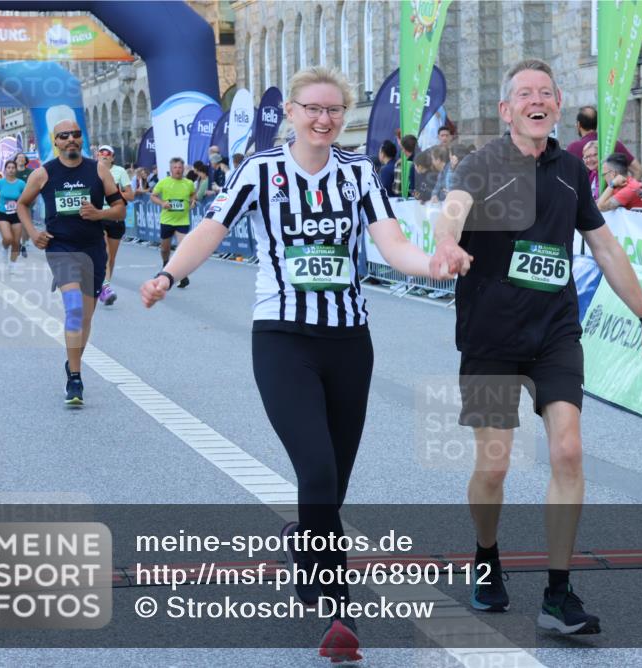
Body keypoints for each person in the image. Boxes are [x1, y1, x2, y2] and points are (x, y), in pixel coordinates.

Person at [141, 66, 444, 662]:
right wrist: (169, 273)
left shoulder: (358, 174)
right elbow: (212, 226)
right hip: (282, 337)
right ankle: (338, 608)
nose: (324, 119)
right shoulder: (261, 170)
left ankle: (305, 546)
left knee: (333, 480)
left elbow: (391, 243)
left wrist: (428, 264)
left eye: (334, 110)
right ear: (293, 113)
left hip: (349, 340)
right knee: (317, 470)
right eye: (313, 108)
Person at [429, 58, 642, 636]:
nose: (537, 101)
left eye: (547, 93)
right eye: (525, 94)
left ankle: (558, 593)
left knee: (567, 452)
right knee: (494, 466)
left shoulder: (569, 170)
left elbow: (607, 249)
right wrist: (446, 243)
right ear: (506, 109)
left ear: (558, 105)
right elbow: (452, 213)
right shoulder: (485, 163)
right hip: (490, 336)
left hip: (555, 334)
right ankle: (486, 558)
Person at [17, 120, 126, 405]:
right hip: (60, 247)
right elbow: (22, 204)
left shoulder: (98, 169)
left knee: (86, 317)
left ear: (81, 139)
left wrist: (99, 214)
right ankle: (75, 377)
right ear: (56, 141)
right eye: (64, 136)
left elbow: (120, 209)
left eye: (76, 135)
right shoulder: (43, 173)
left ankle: (72, 362)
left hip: (92, 248)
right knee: (75, 309)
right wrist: (32, 233)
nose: (71, 140)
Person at [150, 157, 196, 288]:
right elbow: (153, 196)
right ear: (171, 169)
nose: (178, 170)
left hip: (183, 220)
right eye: (175, 167)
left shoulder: (188, 183)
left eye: (180, 167)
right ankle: (165, 265)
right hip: (167, 220)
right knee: (165, 249)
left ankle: (182, 274)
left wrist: (193, 201)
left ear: (183, 169)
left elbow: (193, 194)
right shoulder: (164, 182)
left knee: (183, 249)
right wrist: (162, 203)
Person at [97, 145, 135, 306]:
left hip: (117, 217)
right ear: (97, 156)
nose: (104, 155)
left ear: (113, 157)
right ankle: (105, 289)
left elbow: (131, 196)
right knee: (104, 254)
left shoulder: (120, 171)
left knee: (111, 258)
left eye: (108, 153)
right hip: (99, 216)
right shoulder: (93, 170)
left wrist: (113, 192)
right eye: (101, 153)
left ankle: (105, 285)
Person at [567, 105, 642, 180]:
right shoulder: (613, 144)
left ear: (578, 125)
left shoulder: (572, 148)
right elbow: (639, 171)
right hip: (612, 193)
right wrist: (625, 191)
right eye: (587, 157)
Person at [0, 160, 28, 270]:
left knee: (16, 242)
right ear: (5, 169)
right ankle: (4, 248)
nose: (11, 170)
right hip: (3, 212)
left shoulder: (21, 184)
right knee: (8, 238)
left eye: (13, 167)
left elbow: (27, 198)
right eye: (9, 167)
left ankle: (12, 264)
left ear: (16, 170)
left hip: (16, 214)